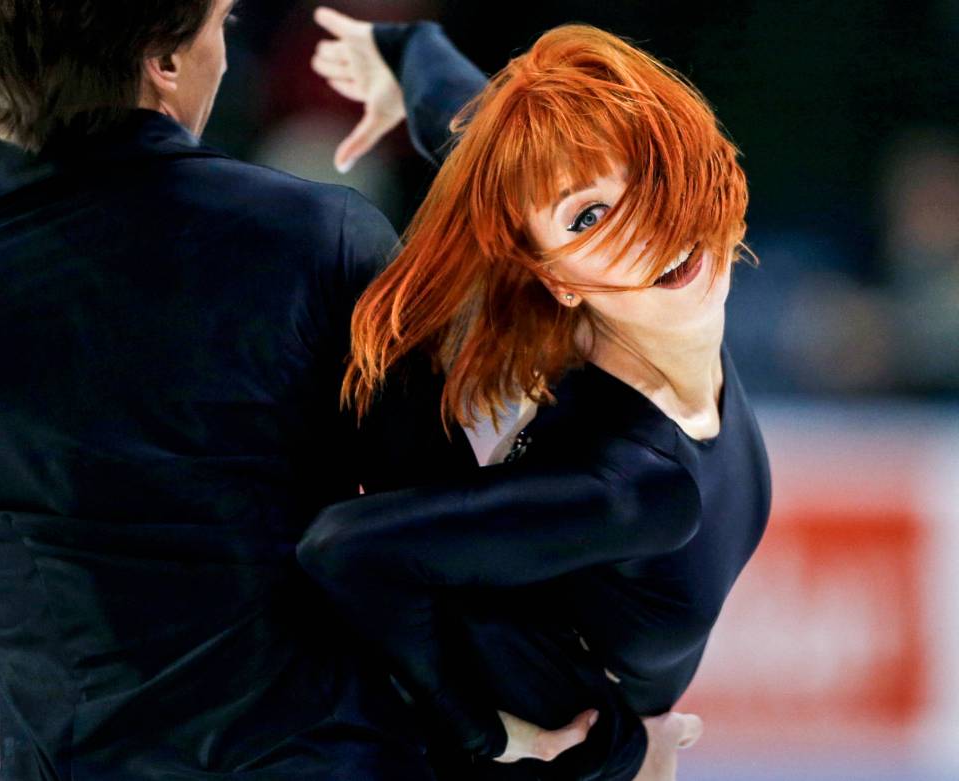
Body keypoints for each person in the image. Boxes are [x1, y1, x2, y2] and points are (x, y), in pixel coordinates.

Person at [0, 1, 512, 777]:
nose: (227, 54)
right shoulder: (319, 239)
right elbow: (446, 549)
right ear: (164, 61)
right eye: (222, 26)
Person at [299, 8, 771, 781]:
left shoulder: (664, 309)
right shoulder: (637, 484)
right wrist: (479, 730)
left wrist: (402, 46)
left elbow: (467, 124)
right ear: (557, 278)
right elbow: (343, 548)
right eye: (588, 217)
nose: (647, 228)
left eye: (645, 171)